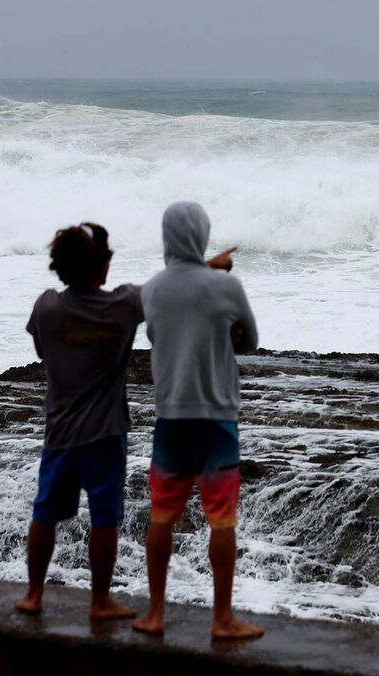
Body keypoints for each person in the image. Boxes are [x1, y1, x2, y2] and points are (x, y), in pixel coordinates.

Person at [131, 202, 263, 641]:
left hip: (171, 417)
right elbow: (250, 342)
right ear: (203, 235)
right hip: (217, 419)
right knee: (221, 520)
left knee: (162, 516)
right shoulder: (227, 288)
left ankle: (154, 614)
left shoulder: (152, 290)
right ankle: (222, 618)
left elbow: (156, 332)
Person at [15, 223, 142, 621]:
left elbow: (40, 349)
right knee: (104, 518)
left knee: (45, 513)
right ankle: (100, 602)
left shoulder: (48, 308)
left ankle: (34, 594)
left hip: (60, 432)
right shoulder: (123, 307)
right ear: (101, 267)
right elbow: (175, 286)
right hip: (105, 434)